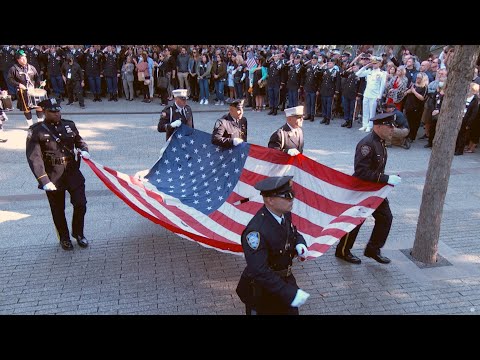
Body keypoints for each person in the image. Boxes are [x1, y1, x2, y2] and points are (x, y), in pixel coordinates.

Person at [236, 176, 310, 315]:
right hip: (263, 291)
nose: (292, 199)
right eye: (287, 196)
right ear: (270, 200)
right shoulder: (256, 231)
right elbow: (259, 270)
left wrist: (300, 243)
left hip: (284, 281)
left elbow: (292, 233)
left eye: (292, 194)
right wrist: (289, 293)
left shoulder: (284, 214)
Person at [334, 113, 401, 265]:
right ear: (378, 127)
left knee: (385, 218)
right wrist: (386, 178)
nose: (393, 129)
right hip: (361, 189)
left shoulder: (381, 142)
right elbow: (361, 171)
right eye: (389, 126)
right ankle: (343, 251)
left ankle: (373, 249)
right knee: (356, 221)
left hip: (375, 190)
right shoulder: (367, 144)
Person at [25, 98, 90, 251]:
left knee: (80, 204)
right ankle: (64, 237)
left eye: (58, 110)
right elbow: (34, 157)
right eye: (52, 112)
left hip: (72, 171)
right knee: (58, 209)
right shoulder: (37, 130)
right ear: (44, 112)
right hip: (53, 174)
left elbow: (79, 141)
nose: (56, 114)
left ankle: (78, 233)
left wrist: (84, 149)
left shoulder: (69, 125)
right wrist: (44, 180)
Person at [7, 49, 46, 127]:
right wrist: (18, 84)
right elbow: (9, 79)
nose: (24, 59)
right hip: (23, 92)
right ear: (18, 59)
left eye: (25, 57)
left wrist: (41, 82)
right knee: (26, 109)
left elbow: (37, 77)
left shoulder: (31, 67)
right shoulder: (13, 69)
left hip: (34, 91)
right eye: (22, 58)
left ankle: (40, 124)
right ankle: (31, 125)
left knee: (39, 107)